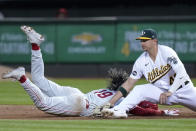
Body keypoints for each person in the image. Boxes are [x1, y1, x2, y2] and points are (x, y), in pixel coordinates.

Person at [1, 26, 179, 117]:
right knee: (43, 103)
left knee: (39, 79)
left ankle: (35, 45)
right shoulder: (122, 98)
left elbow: (140, 106)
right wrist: (161, 112)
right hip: (79, 104)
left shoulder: (111, 91)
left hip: (77, 94)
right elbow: (141, 110)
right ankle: (22, 77)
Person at [100, 29, 196, 118]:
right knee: (139, 89)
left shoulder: (166, 52)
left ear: (154, 41)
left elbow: (181, 73)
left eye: (145, 40)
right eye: (141, 40)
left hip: (185, 90)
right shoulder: (141, 61)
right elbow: (129, 83)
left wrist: (170, 91)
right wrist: (110, 102)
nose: (142, 43)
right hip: (162, 93)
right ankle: (119, 110)